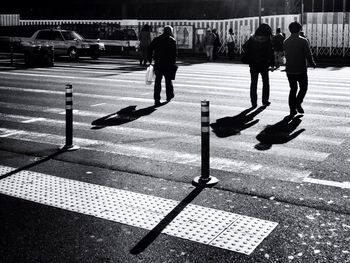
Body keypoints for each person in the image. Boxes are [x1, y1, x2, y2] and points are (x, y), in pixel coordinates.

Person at [284, 21, 316, 116]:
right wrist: (312, 63)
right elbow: (308, 55)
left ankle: (292, 109)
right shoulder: (303, 41)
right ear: (300, 29)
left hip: (289, 69)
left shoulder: (286, 41)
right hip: (301, 69)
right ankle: (298, 103)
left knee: (293, 89)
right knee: (303, 88)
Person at [242, 23, 274, 108]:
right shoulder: (268, 39)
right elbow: (270, 53)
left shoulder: (253, 38)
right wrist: (272, 64)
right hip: (264, 64)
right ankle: (265, 101)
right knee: (266, 83)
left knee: (253, 83)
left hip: (254, 64)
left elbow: (244, 46)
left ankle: (253, 103)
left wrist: (252, 54)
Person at [148, 25, 177, 106]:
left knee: (158, 81)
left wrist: (149, 59)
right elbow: (174, 54)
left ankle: (157, 99)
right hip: (168, 64)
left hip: (158, 63)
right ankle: (169, 96)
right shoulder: (172, 40)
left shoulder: (157, 39)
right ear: (170, 31)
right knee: (168, 81)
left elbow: (150, 48)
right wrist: (173, 63)